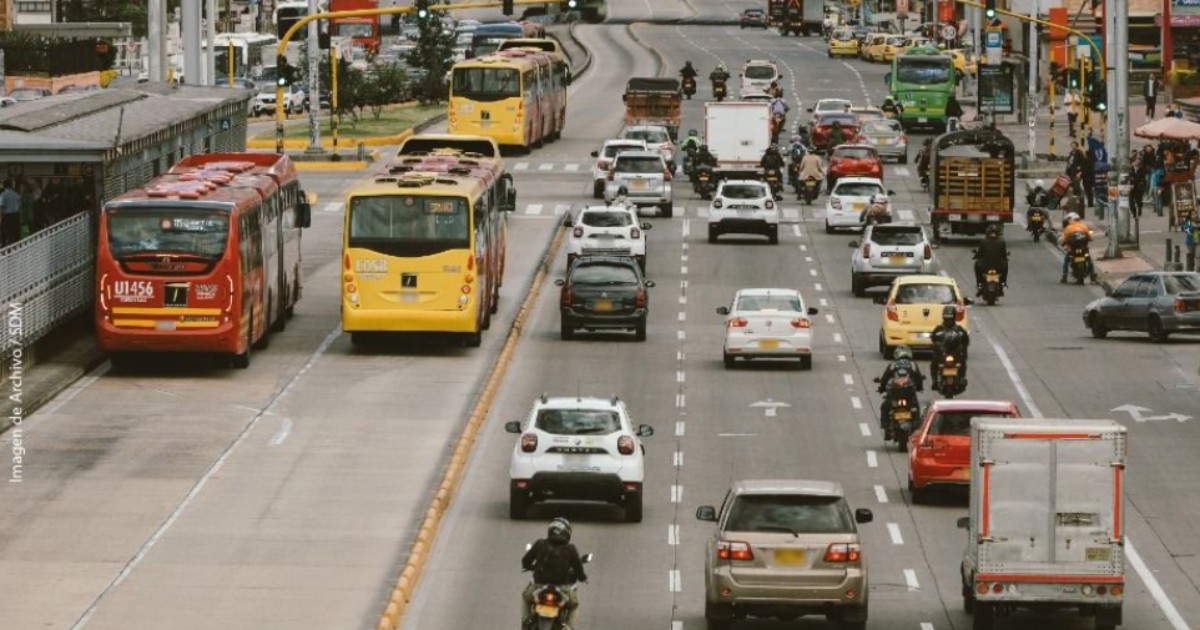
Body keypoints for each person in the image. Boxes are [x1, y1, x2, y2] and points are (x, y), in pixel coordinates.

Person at [521, 517, 587, 629]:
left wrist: (531, 567)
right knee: (574, 605)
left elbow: (525, 561)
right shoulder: (570, 549)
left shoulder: (540, 543)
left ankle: (526, 622)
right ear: (567, 533)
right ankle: (569, 627)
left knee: (526, 597)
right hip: (562, 589)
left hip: (538, 586)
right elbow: (578, 568)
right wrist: (582, 578)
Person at [877, 345, 924, 435]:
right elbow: (919, 378)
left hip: (894, 395)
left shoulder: (893, 364)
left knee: (884, 406)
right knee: (916, 407)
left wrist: (881, 388)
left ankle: (886, 426)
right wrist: (920, 387)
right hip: (909, 395)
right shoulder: (913, 364)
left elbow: (885, 378)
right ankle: (916, 426)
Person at [930, 305, 969, 388]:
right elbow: (933, 340)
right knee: (934, 362)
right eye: (947, 318)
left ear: (954, 317)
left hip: (955, 353)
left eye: (950, 318)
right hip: (942, 353)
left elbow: (965, 341)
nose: (949, 321)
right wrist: (937, 347)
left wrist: (963, 349)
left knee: (962, 361)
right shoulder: (938, 329)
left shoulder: (959, 330)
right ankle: (935, 380)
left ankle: (962, 377)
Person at [1059, 212, 1097, 283]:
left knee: (1066, 260)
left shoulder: (1068, 228)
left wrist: (1063, 243)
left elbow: (1064, 239)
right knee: (1089, 260)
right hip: (1084, 250)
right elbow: (1090, 238)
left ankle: (1064, 276)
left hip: (1072, 251)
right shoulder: (1084, 226)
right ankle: (1092, 276)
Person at [973, 224, 1009, 293]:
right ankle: (1003, 282)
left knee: (976, 264)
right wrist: (1005, 259)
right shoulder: (1002, 242)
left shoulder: (984, 241)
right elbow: (1004, 255)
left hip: (984, 266)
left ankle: (979, 283)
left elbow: (979, 253)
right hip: (999, 266)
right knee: (1006, 264)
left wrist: (975, 257)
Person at [0, 179, 21, 247]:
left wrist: (1, 217)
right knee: (15, 233)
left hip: (7, 216)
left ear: (4, 186)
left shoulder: (3, 195)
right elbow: (20, 205)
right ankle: (17, 247)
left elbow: (2, 207)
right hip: (16, 215)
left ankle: (6, 248)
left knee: (6, 233)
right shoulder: (16, 194)